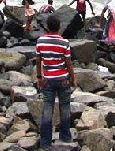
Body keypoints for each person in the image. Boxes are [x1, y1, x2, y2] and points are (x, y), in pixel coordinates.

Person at [36, 15, 77, 149]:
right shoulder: (64, 42)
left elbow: (38, 61)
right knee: (64, 106)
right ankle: (65, 136)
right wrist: (73, 79)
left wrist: (39, 77)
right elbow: (68, 63)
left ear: (47, 27)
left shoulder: (40, 41)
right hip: (63, 79)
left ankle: (45, 141)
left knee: (48, 107)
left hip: (47, 79)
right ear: (59, 27)